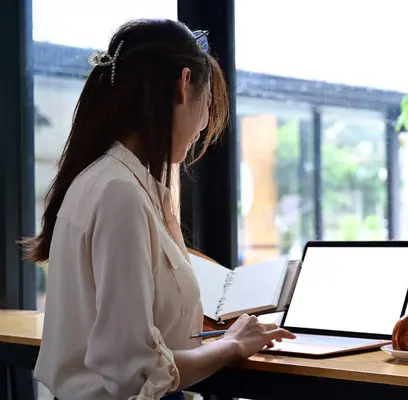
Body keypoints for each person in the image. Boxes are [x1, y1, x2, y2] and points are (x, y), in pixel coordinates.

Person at [22, 19, 295, 400]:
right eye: (208, 102)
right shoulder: (120, 192)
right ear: (185, 85)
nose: (204, 124)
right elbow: (133, 369)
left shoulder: (109, 180)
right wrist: (231, 345)